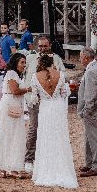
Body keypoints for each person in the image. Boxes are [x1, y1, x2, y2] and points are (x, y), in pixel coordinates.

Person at [32, 53, 78, 189]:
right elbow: (65, 94)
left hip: (45, 109)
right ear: (52, 63)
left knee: (46, 138)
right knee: (60, 137)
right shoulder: (60, 75)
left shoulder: (36, 77)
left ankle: (46, 170)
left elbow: (34, 99)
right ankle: (62, 169)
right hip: (57, 107)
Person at [24, 35, 65, 172]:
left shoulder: (57, 59)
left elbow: (63, 78)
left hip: (51, 100)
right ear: (37, 46)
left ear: (50, 45)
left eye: (45, 46)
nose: (42, 48)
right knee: (34, 127)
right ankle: (29, 159)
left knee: (51, 129)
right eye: (40, 46)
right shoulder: (30, 59)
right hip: (33, 99)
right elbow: (25, 76)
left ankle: (49, 158)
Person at [0, 53, 29, 178]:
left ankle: (9, 166)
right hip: (10, 104)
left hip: (14, 103)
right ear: (16, 62)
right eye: (22, 62)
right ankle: (8, 167)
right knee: (9, 134)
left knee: (13, 135)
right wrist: (29, 89)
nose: (24, 65)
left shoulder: (16, 74)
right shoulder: (12, 73)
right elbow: (15, 90)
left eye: (25, 62)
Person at [77, 47, 97, 178]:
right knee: (89, 137)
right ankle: (89, 162)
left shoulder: (91, 71)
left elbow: (90, 94)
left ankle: (96, 166)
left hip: (93, 110)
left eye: (80, 57)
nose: (79, 59)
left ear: (85, 57)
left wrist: (86, 110)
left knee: (94, 138)